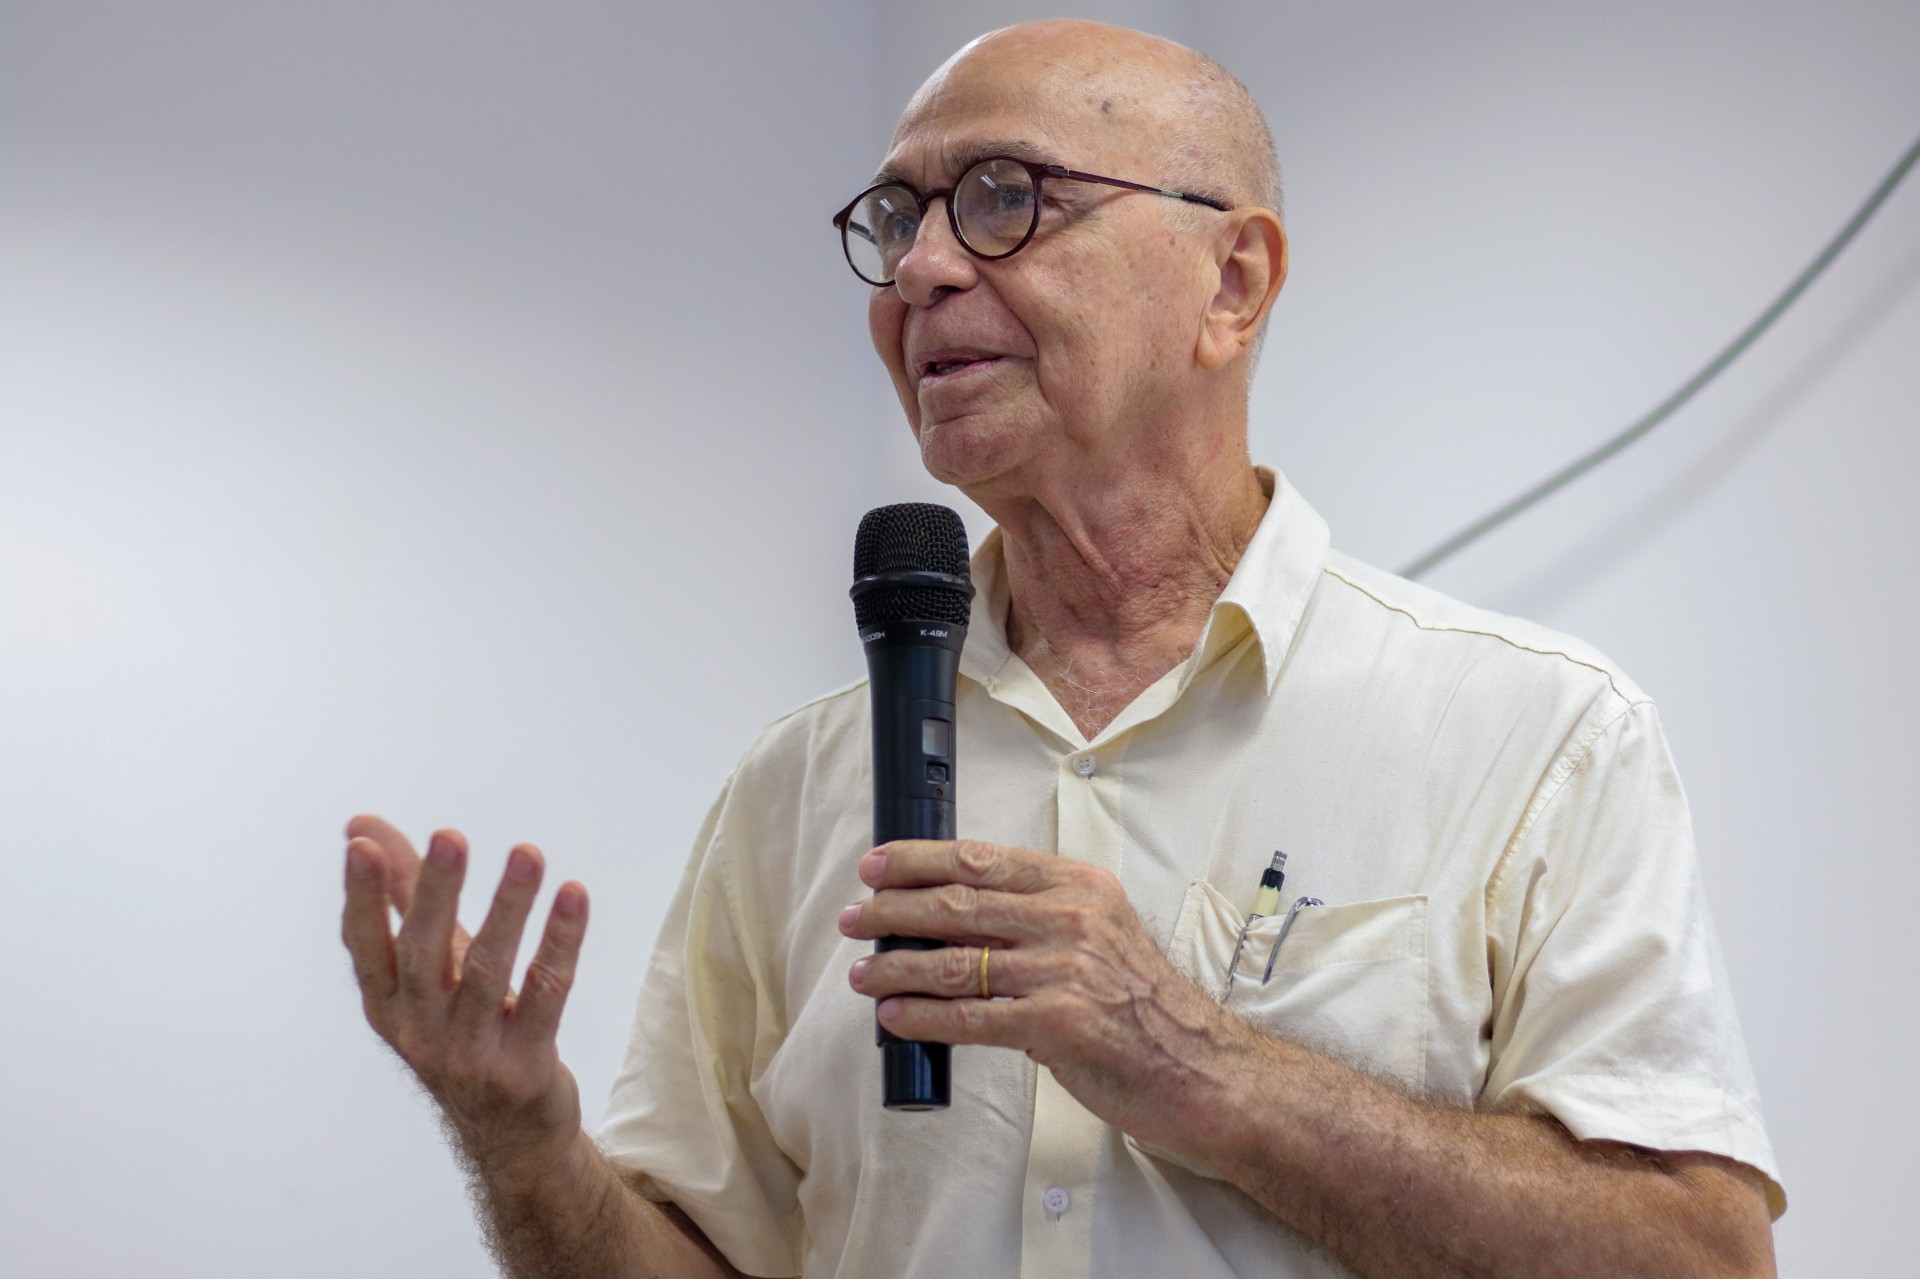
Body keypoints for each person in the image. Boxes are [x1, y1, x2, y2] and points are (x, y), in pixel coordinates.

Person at [341, 19, 1783, 1278]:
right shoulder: (795, 788)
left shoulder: (1535, 733)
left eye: (1002, 198)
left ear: (1233, 283)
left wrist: (1190, 1061)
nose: (919, 270)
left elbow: (1699, 1263)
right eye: (895, 219)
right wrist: (522, 1143)